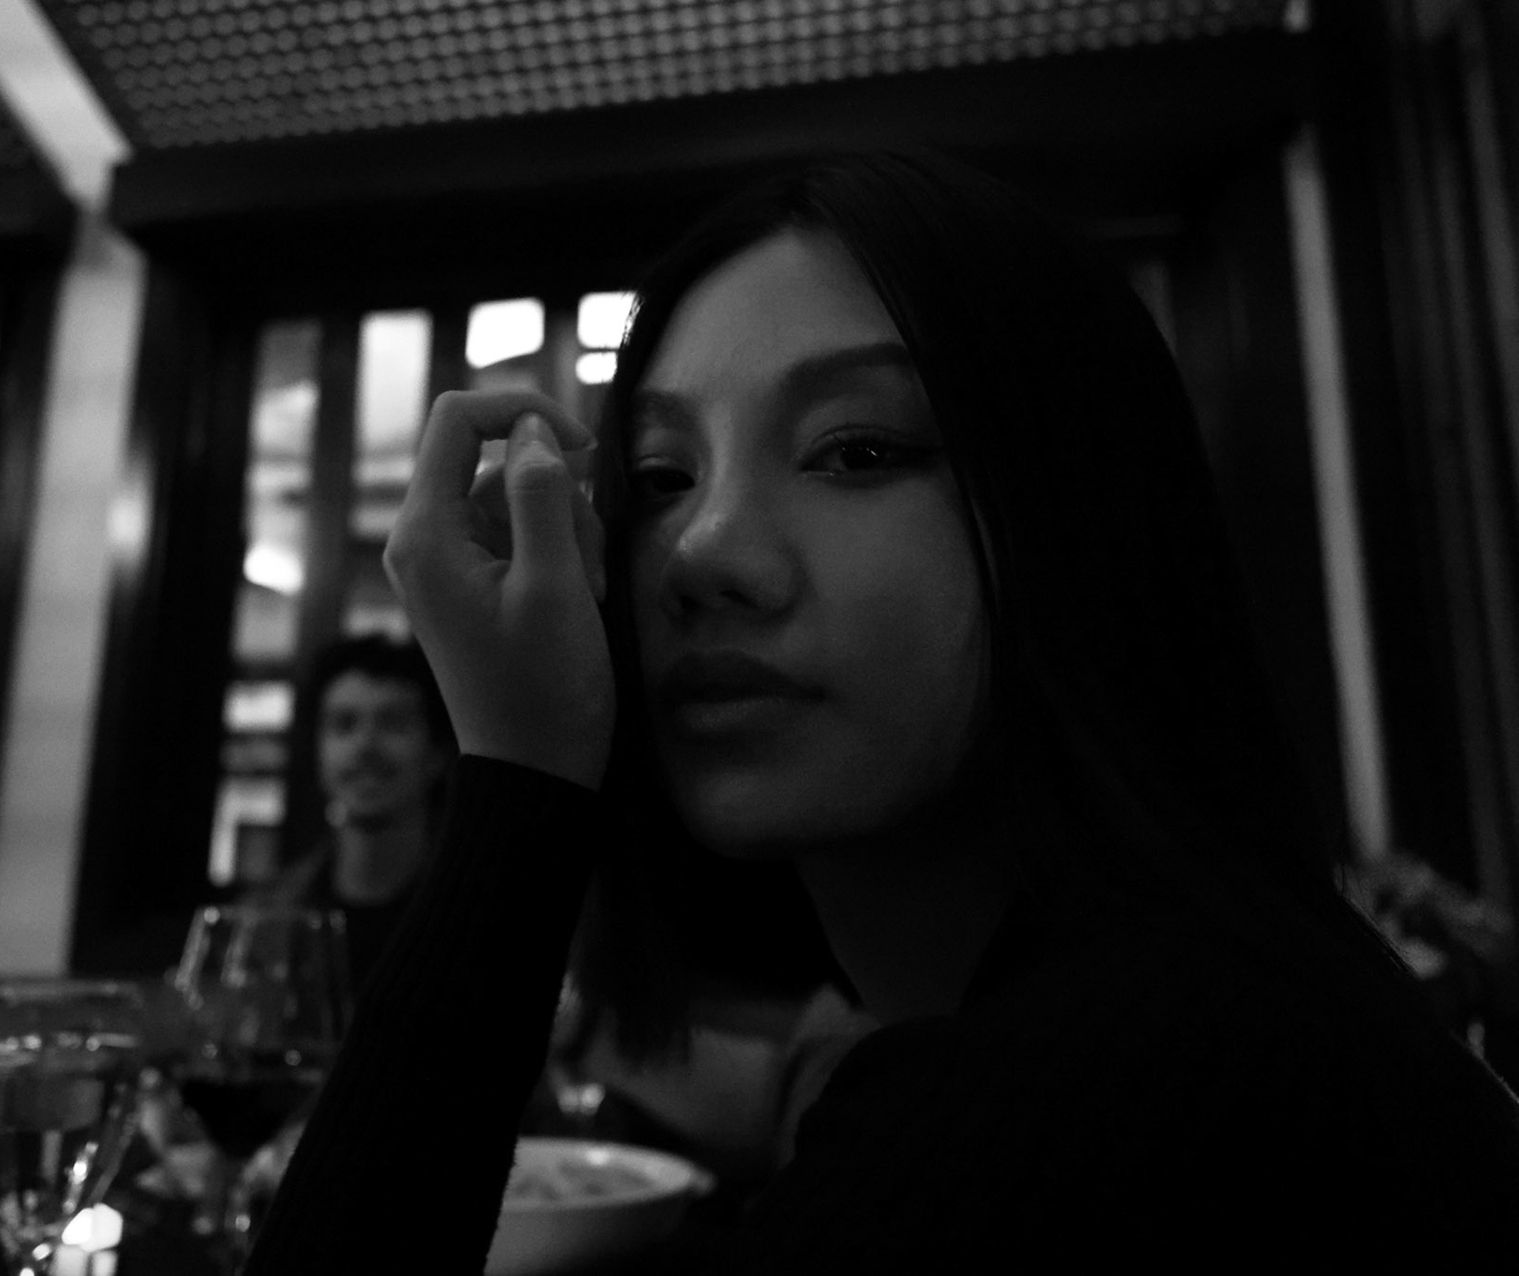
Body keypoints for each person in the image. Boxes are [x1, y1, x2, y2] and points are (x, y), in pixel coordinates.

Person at [246, 151, 1519, 1271]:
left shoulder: (1122, 1092)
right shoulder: (1170, 999)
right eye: (660, 476)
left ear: (1077, 515)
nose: (703, 549)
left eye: (856, 450)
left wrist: (518, 782)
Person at [256, 634, 453, 991]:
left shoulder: (478, 914)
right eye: (344, 724)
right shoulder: (267, 917)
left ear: (437, 753)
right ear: (317, 752)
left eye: (393, 724)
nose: (365, 746)